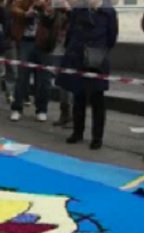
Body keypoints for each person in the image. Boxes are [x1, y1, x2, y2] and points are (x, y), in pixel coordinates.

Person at [57, 0, 117, 150]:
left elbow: (112, 37)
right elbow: (71, 31)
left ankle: (97, 137)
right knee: (79, 97)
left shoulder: (108, 11)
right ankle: (77, 132)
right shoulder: (79, 10)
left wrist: (98, 50)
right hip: (78, 58)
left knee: (97, 100)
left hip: (97, 60)